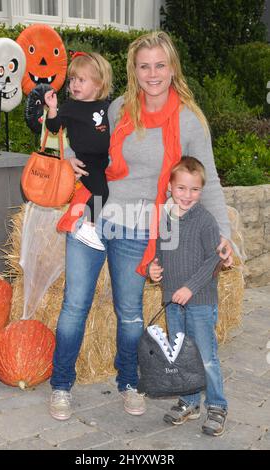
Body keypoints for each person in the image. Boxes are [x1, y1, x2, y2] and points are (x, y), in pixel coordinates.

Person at [48, 31, 233, 421]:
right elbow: (77, 134)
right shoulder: (118, 109)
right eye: (144, 65)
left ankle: (128, 382)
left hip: (138, 227)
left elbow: (210, 180)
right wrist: (65, 160)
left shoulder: (189, 120)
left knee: (129, 312)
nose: (152, 74)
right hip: (94, 212)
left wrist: (224, 237)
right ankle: (61, 385)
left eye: (160, 65)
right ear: (134, 70)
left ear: (172, 69)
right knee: (74, 306)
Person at [149, 156, 228, 437]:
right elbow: (161, 252)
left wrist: (190, 288)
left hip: (200, 302)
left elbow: (214, 260)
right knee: (182, 355)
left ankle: (217, 405)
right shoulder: (167, 218)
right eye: (181, 188)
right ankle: (190, 402)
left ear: (201, 191)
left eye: (194, 189)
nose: (187, 195)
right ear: (170, 187)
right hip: (173, 301)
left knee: (206, 356)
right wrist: (154, 269)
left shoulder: (205, 220)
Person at [45, 51, 112, 250]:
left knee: (108, 189)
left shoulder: (108, 107)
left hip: (104, 160)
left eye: (81, 80)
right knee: (101, 191)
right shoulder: (70, 108)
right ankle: (88, 227)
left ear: (98, 83)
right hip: (85, 162)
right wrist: (53, 109)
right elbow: (53, 128)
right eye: (72, 79)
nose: (74, 84)